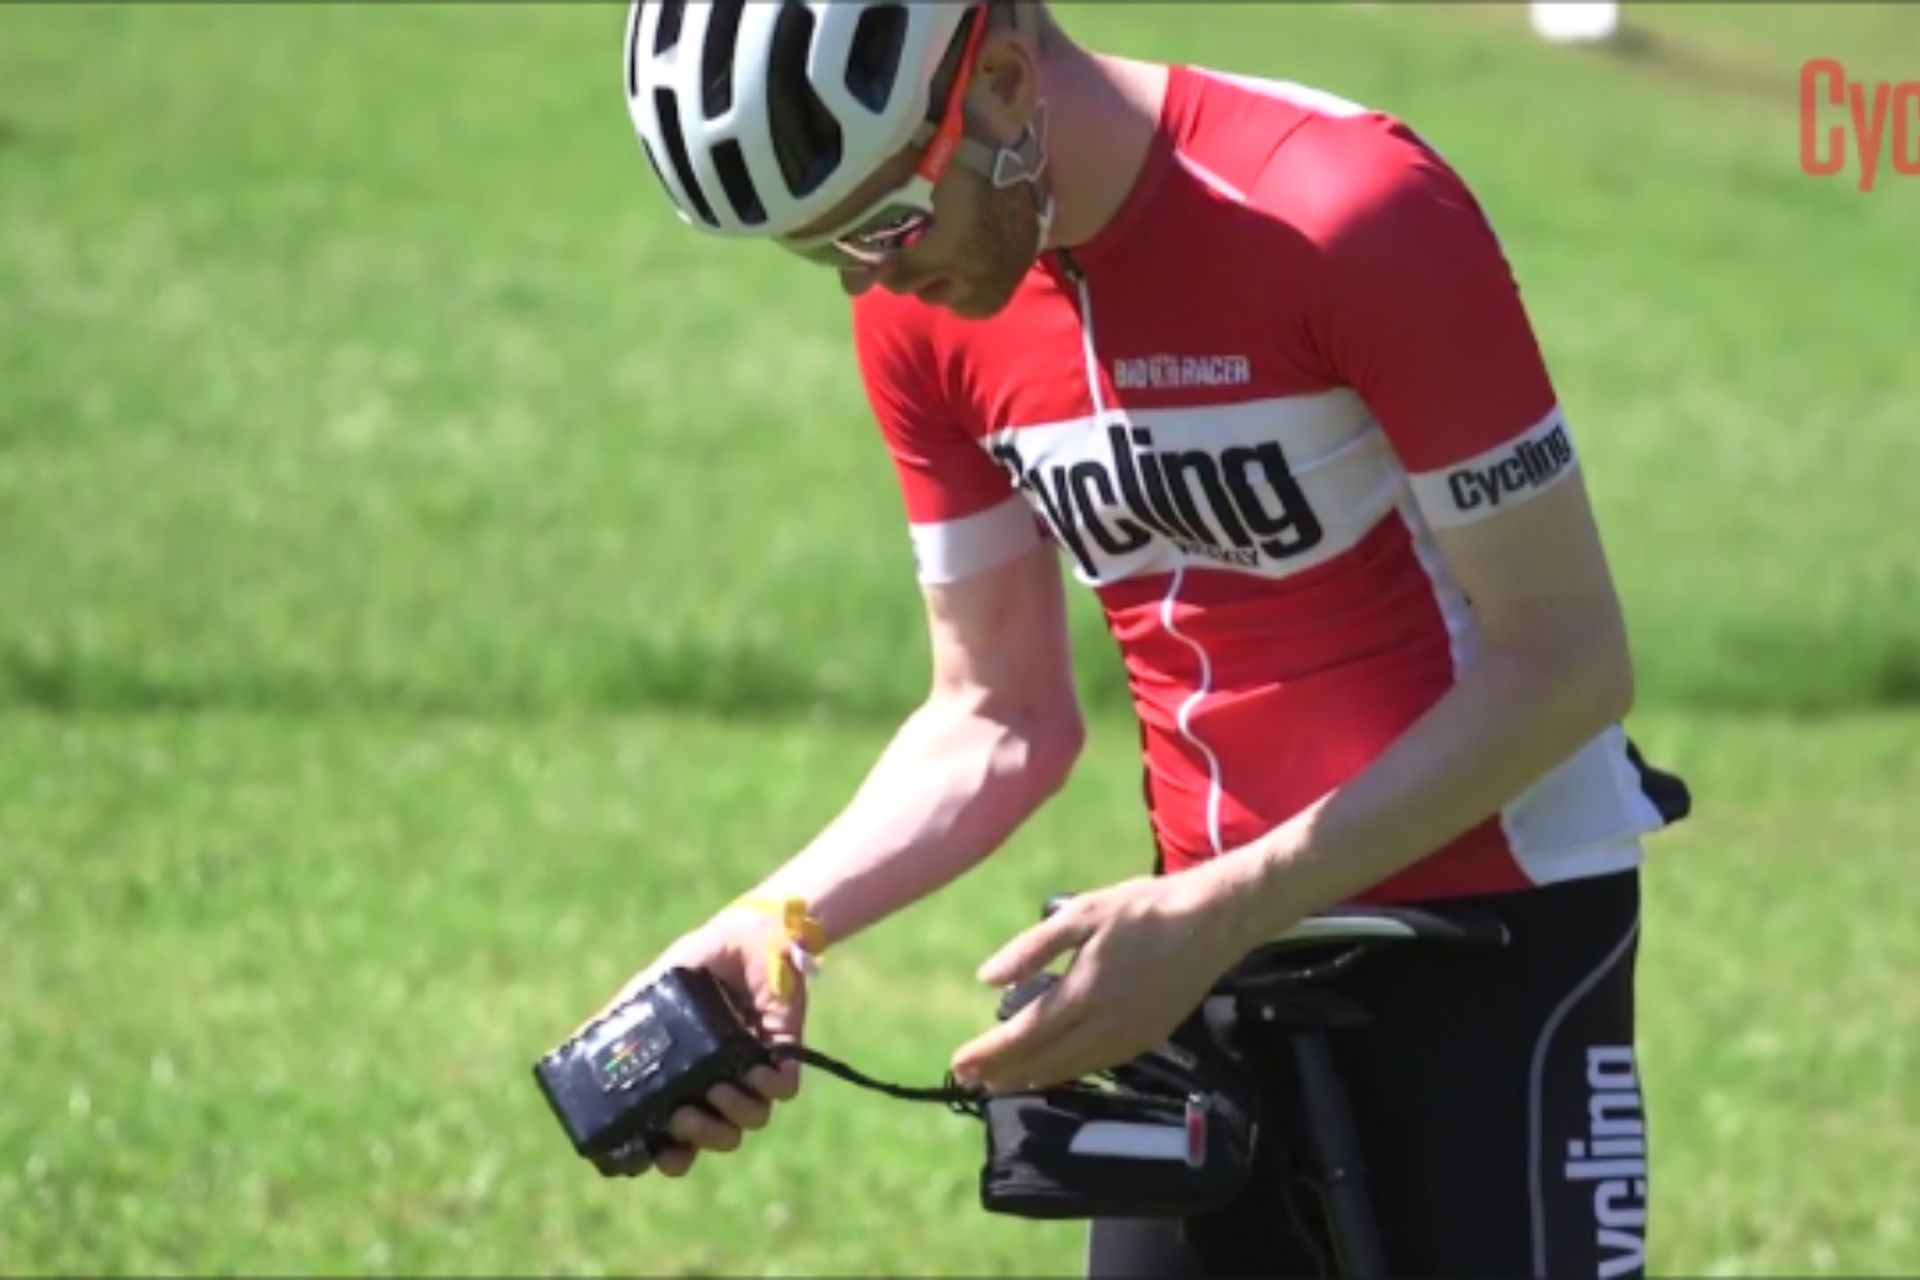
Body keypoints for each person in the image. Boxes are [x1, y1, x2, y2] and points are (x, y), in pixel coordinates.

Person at [603, 2, 1691, 1275]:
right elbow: (997, 711)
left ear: (1004, 83)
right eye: (820, 251)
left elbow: (1565, 658)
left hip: (1488, 929)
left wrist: (1220, 909)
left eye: (882, 222)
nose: (872, 278)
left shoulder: (1349, 213)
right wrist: (782, 915)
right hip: (1192, 956)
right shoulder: (927, 311)